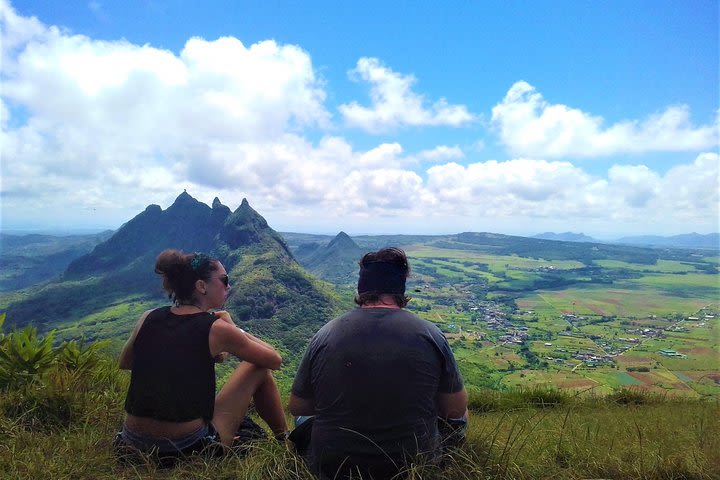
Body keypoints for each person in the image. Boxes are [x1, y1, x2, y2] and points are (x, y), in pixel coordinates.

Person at [289, 247, 468, 479]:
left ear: (361, 288)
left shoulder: (325, 334)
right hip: (413, 466)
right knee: (462, 413)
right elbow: (455, 410)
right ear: (401, 288)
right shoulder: (431, 334)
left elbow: (298, 407)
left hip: (332, 467)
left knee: (303, 419)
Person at [115, 249, 287, 464]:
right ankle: (285, 443)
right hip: (186, 448)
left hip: (131, 443)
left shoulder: (148, 317)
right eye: (224, 280)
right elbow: (274, 360)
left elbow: (126, 362)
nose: (229, 285)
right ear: (201, 286)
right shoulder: (216, 328)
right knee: (258, 367)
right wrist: (236, 329)